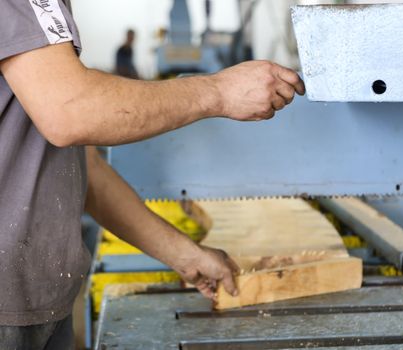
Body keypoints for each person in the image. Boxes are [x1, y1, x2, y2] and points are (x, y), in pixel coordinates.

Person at [0, 0, 305, 348]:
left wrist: (185, 254)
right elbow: (70, 111)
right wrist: (218, 91)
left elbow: (82, 169)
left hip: (39, 299)